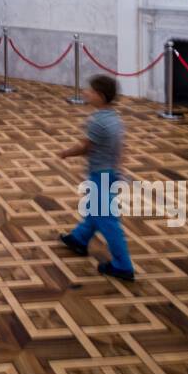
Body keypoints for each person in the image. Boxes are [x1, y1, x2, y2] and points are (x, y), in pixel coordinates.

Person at [58, 75, 135, 282]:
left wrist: (66, 152)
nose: (85, 93)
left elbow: (85, 147)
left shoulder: (96, 122)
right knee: (96, 210)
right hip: (110, 172)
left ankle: (123, 265)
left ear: (100, 96)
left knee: (108, 222)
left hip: (99, 175)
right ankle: (79, 239)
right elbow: (120, 148)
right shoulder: (114, 119)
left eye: (89, 91)